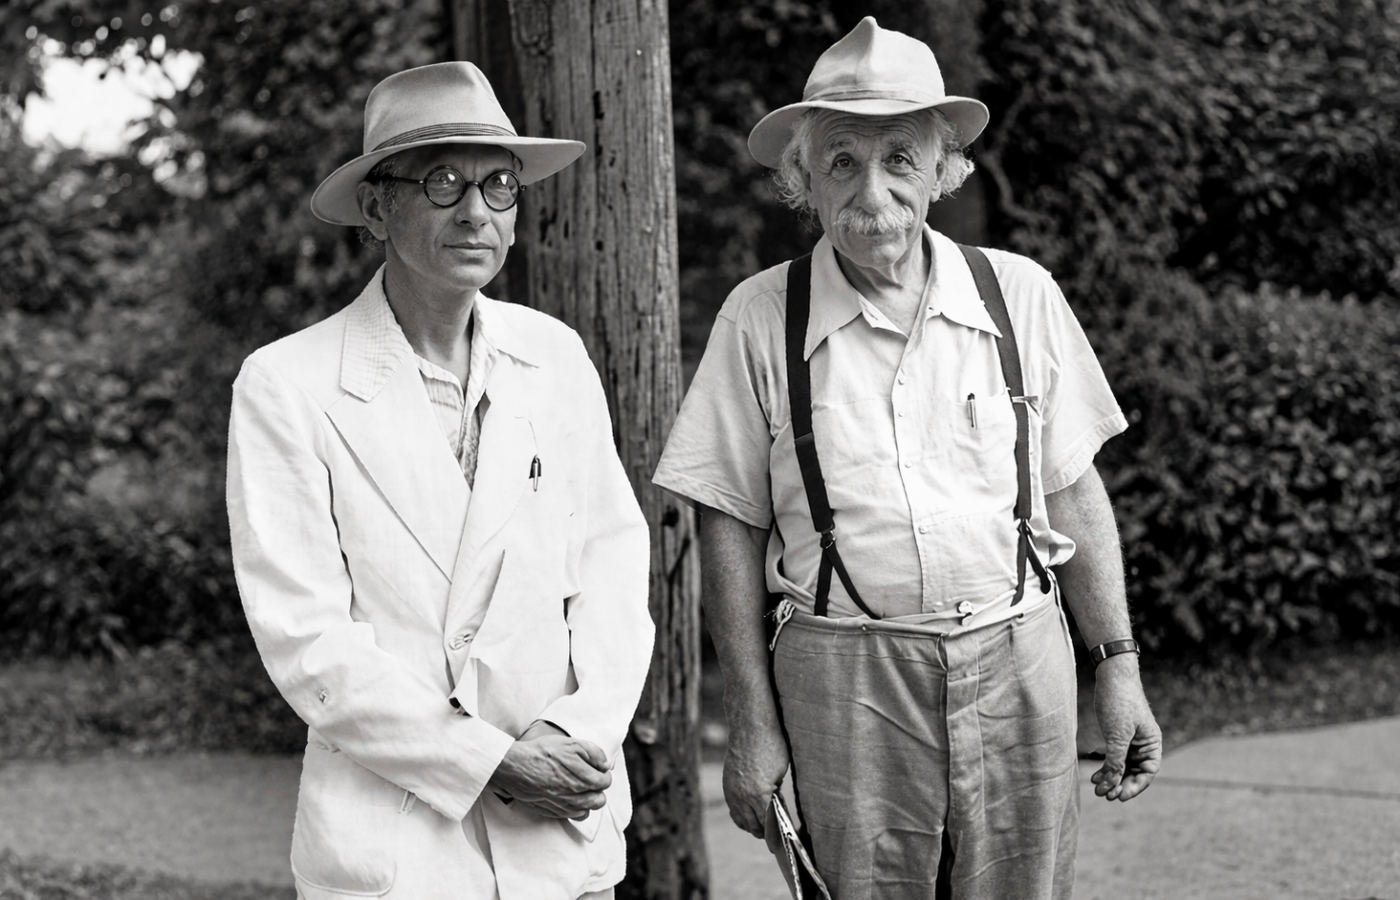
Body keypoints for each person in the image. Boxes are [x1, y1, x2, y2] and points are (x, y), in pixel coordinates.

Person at [653, 17, 1161, 900]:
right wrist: (750, 720)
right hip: (843, 677)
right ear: (804, 180)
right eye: (842, 161)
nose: (873, 190)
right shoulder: (759, 316)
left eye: (899, 159)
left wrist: (1117, 665)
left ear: (941, 170)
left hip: (1021, 661)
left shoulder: (1020, 293)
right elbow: (727, 523)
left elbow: (1073, 490)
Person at [226, 62, 653, 900]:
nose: (476, 211)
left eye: (500, 186)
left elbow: (612, 563)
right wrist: (490, 763)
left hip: (561, 827)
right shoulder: (286, 384)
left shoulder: (556, 356)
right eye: (443, 181)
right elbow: (307, 639)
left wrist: (575, 734)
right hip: (396, 844)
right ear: (376, 207)